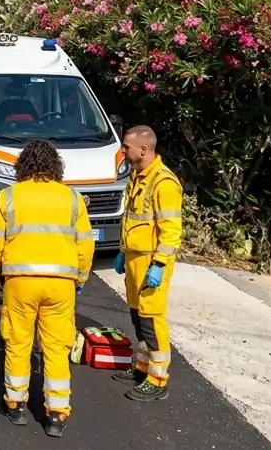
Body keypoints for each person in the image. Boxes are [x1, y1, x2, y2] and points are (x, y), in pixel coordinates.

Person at [0, 139, 94, 437]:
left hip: (20, 282)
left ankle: (16, 405)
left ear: (23, 166)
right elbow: (85, 244)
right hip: (61, 285)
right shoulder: (73, 199)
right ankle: (56, 414)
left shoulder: (8, 197)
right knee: (56, 349)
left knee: (18, 343)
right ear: (55, 165)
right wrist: (80, 278)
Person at [112, 125, 183, 402]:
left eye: (126, 146)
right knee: (137, 318)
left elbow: (171, 231)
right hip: (133, 258)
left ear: (143, 149)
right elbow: (131, 218)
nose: (123, 150)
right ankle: (142, 368)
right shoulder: (138, 176)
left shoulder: (163, 183)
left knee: (152, 320)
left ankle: (158, 378)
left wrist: (160, 264)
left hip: (152, 261)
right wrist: (121, 250)